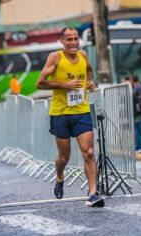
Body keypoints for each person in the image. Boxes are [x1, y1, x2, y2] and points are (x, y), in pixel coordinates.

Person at [36, 27, 104, 207]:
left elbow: (88, 70)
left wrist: (90, 82)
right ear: (62, 42)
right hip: (60, 113)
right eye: (69, 40)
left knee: (88, 152)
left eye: (76, 39)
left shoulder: (83, 55)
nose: (73, 43)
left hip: (81, 111)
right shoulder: (55, 57)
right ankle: (59, 176)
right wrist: (64, 84)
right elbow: (40, 83)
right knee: (64, 157)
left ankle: (93, 194)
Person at [130, 75, 141, 153]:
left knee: (139, 130)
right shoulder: (137, 87)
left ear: (133, 80)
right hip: (137, 112)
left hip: (138, 112)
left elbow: (139, 100)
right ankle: (139, 147)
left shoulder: (138, 87)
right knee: (138, 130)